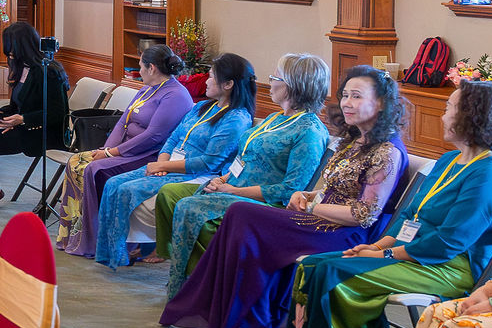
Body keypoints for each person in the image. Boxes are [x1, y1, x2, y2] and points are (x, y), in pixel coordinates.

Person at [278, 80, 492, 328]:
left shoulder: (489, 173)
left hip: (447, 265)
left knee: (335, 275)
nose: (443, 115)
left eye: (450, 108)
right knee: (312, 264)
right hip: (411, 250)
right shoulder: (450, 159)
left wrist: (387, 254)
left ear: (472, 116)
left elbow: (448, 242)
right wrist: (378, 246)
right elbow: (407, 215)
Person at [165, 65, 407, 328]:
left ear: (380, 103)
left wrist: (310, 207)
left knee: (243, 215)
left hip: (343, 233)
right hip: (320, 220)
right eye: (345, 95)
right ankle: (250, 322)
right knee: (240, 217)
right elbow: (329, 190)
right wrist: (308, 196)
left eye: (356, 96)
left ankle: (250, 322)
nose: (346, 103)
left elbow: (362, 215)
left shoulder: (387, 151)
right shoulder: (353, 140)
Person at [154, 53, 333, 295]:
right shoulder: (274, 118)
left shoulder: (309, 130)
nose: (270, 82)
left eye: (275, 77)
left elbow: (291, 189)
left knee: (190, 208)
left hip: (263, 201)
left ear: (293, 86)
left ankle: (208, 282)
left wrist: (233, 190)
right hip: (234, 186)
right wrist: (223, 178)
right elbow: (244, 158)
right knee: (170, 195)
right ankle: (199, 276)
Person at [86, 53, 255, 268]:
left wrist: (164, 165)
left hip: (197, 174)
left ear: (229, 84)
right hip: (170, 164)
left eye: (212, 77)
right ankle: (115, 250)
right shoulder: (203, 107)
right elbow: (174, 137)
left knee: (128, 190)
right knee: (113, 183)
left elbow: (208, 163)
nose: (206, 81)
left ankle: (137, 247)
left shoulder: (236, 119)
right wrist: (163, 161)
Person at [55, 45, 194, 258]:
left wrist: (112, 154)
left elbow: (154, 136)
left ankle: (101, 241)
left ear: (152, 68)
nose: (139, 70)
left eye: (140, 66)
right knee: (76, 160)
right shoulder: (147, 88)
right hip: (124, 150)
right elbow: (123, 121)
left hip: (148, 154)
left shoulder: (175, 95)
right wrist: (106, 149)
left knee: (95, 169)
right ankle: (76, 235)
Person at [0, 22, 70, 211]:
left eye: (11, 48)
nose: (8, 54)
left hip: (42, 133)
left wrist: (23, 120)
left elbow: (57, 113)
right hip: (23, 126)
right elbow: (16, 106)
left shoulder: (48, 71)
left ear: (22, 46)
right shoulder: (22, 67)